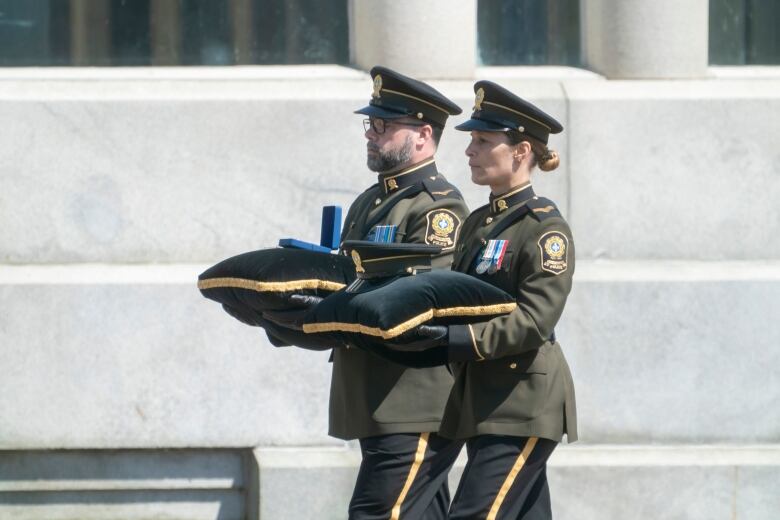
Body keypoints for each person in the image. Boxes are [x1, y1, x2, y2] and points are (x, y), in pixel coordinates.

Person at [266, 66, 469, 520]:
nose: (371, 135)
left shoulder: (439, 208)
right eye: (370, 124)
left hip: (414, 401)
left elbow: (416, 299)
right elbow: (349, 280)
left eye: (383, 126)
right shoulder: (370, 201)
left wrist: (328, 309)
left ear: (422, 134)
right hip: (377, 395)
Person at [388, 80, 577, 519]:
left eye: (484, 141)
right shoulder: (478, 224)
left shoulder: (543, 228)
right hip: (484, 400)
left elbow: (534, 319)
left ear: (521, 151)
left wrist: (455, 340)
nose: (469, 151)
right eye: (471, 140)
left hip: (522, 399)